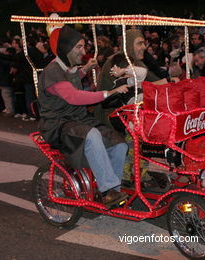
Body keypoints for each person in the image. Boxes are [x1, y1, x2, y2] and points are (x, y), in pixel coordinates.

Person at [37, 25, 130, 208]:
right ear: (66, 49)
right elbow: (73, 96)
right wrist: (108, 93)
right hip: (58, 124)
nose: (83, 51)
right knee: (92, 135)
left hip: (77, 120)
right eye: (78, 47)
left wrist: (86, 68)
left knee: (119, 143)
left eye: (83, 46)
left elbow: (72, 77)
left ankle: (113, 189)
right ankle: (107, 189)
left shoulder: (68, 68)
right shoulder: (52, 71)